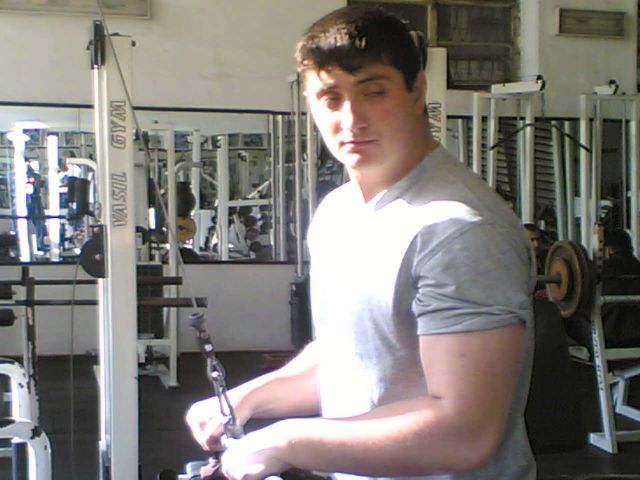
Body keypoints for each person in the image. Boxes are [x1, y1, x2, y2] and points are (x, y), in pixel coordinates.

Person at [186, 6, 535, 480]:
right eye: (331, 98)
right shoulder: (338, 212)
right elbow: (353, 354)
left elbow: (465, 432)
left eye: (374, 92)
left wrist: (287, 441)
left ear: (417, 92)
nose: (352, 119)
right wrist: (251, 398)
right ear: (310, 103)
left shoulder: (457, 230)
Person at [564, 228, 640, 349]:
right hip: (636, 338)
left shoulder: (600, 273)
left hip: (609, 339)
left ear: (608, 250)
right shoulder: (636, 267)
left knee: (565, 316)